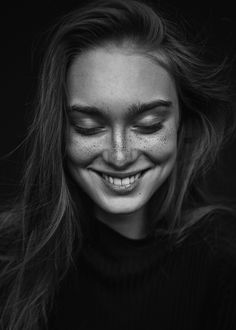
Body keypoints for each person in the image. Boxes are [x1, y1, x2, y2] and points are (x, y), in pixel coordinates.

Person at [0, 0, 236, 329]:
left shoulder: (223, 261)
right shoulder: (9, 258)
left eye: (150, 124)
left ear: (184, 123)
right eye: (88, 127)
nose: (120, 156)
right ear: (58, 131)